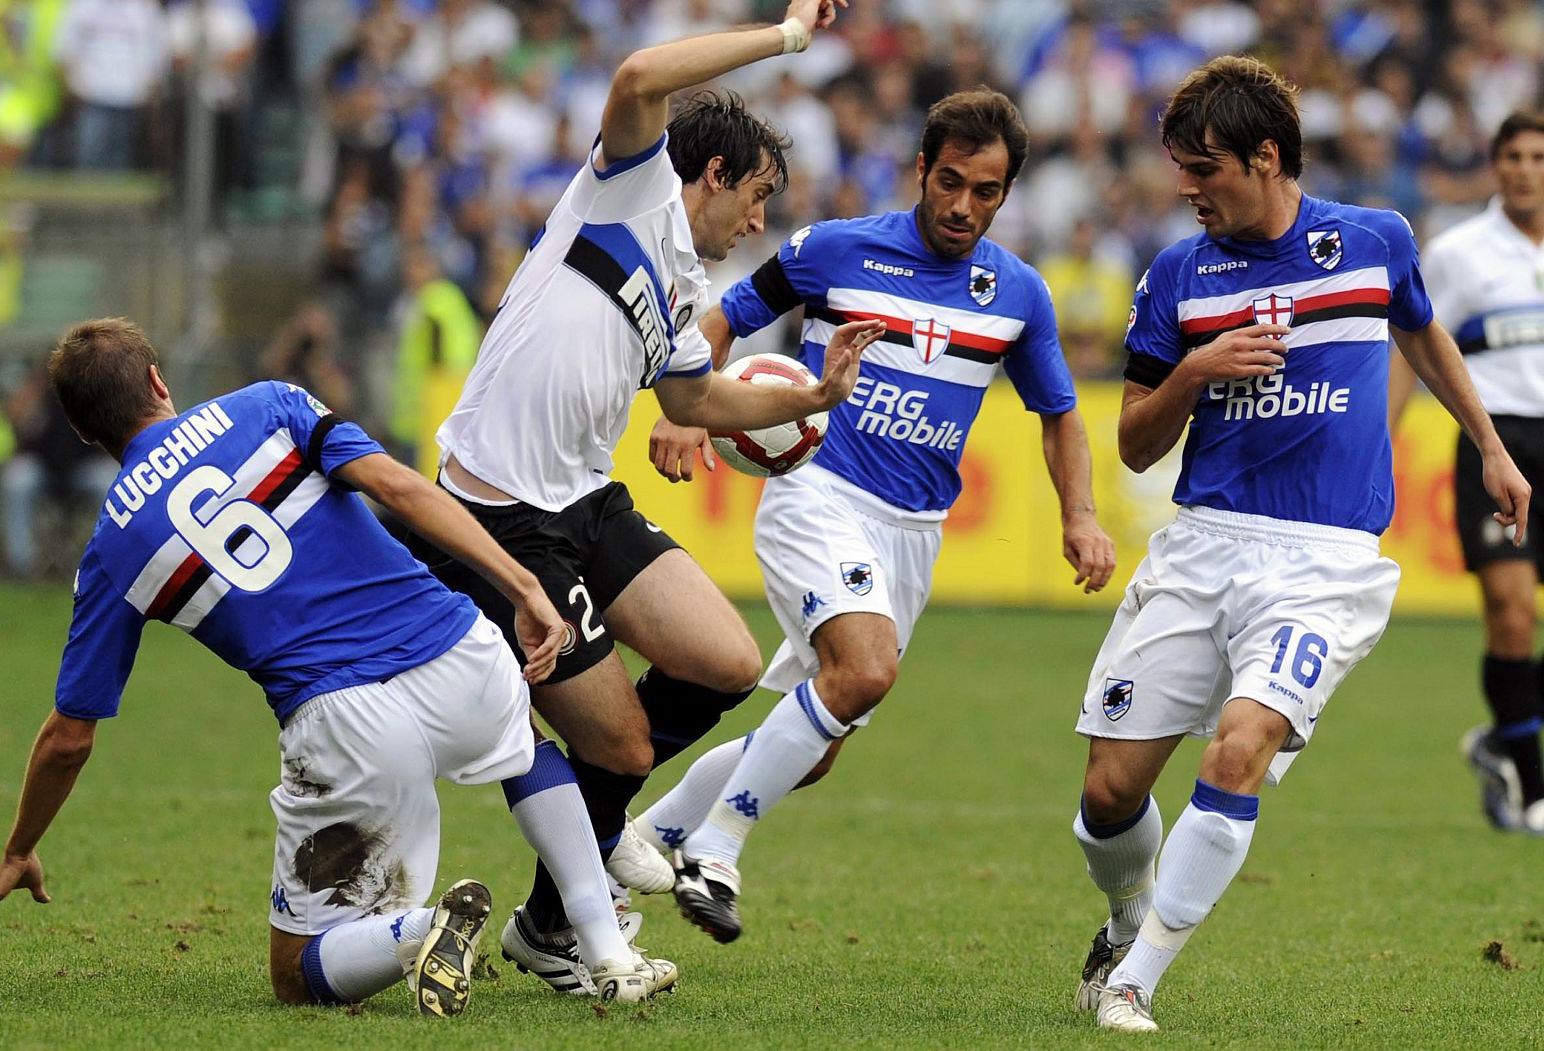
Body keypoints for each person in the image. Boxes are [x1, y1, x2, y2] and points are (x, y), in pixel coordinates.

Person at [0, 318, 672, 1011]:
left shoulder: (113, 548)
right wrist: (521, 586)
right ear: (155, 378)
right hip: (455, 649)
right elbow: (402, 488)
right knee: (524, 745)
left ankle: (422, 930)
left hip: (341, 719)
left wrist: (20, 846)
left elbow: (70, 734)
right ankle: (608, 951)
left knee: (295, 974)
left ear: (82, 428)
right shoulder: (270, 403)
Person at [406, 0, 888, 993]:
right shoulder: (626, 193)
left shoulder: (678, 279)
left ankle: (558, 902)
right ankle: (579, 878)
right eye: (755, 195)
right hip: (499, 515)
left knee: (723, 660)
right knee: (620, 738)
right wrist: (787, 37)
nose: (759, 221)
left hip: (585, 499)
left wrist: (818, 392)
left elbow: (693, 395)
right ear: (711, 175)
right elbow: (635, 80)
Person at [1067, 57, 1530, 1034]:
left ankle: (1135, 981)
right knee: (1107, 797)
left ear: (1266, 155)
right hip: (1202, 548)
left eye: (1204, 169)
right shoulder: (1177, 276)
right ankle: (1123, 913)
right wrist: (1194, 369)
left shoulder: (1373, 240)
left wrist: (1488, 445)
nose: (1185, 189)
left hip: (1323, 561)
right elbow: (1135, 441)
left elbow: (1423, 333)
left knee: (1240, 749)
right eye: (1179, 170)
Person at [623, 88, 1117, 944]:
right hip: (818, 492)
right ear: (921, 169)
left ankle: (637, 847)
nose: (964, 206)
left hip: (911, 534)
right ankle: (716, 848)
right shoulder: (837, 250)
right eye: (951, 181)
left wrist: (1080, 513)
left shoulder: (1019, 295)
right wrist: (681, 406)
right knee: (865, 671)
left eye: (987, 192)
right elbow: (723, 318)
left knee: (813, 746)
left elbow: (1061, 413)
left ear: (1008, 194)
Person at [1389, 112, 1544, 836]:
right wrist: (1378, 437)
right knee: (1512, 611)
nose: (1524, 169)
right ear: (1494, 164)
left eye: (1538, 157)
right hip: (1499, 442)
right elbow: (1414, 343)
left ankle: (1500, 741)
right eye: (1512, 155)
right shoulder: (1459, 253)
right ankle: (1532, 783)